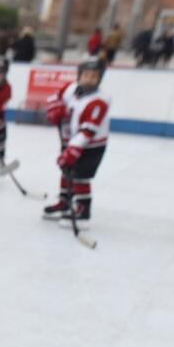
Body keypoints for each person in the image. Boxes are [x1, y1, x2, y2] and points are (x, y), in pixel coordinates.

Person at [42, 58, 110, 228]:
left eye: (94, 76)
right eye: (86, 75)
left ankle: (83, 211)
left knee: (81, 176)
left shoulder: (99, 101)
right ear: (79, 76)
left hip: (91, 146)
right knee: (67, 171)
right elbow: (55, 97)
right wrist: (55, 108)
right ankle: (65, 203)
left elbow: (88, 131)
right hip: (72, 140)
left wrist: (72, 151)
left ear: (99, 79)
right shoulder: (72, 88)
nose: (89, 79)